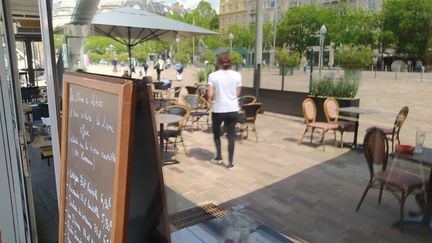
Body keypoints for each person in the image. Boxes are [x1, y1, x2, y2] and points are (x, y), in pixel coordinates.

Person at [207, 52, 242, 170]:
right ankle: (230, 163)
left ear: (219, 63)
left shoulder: (213, 76)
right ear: (230, 63)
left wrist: (211, 97)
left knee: (217, 133)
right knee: (231, 136)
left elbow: (210, 94)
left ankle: (219, 156)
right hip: (233, 109)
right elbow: (237, 93)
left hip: (218, 109)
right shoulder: (237, 75)